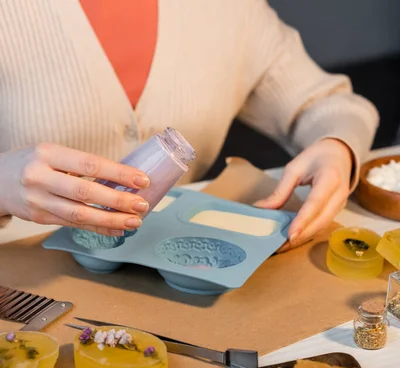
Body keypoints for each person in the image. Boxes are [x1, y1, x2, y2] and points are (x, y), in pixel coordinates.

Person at [0, 0, 378, 250]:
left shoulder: (229, 10)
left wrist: (337, 145)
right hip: (26, 284)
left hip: (177, 268)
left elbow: (327, 104)